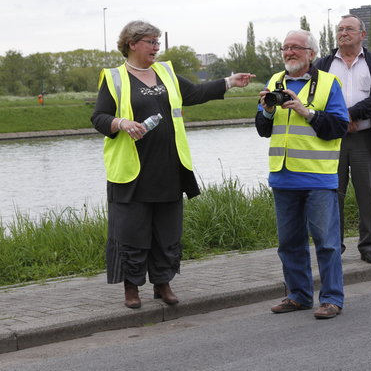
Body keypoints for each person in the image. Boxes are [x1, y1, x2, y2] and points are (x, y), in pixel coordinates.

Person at [91, 20, 255, 309]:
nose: (156, 47)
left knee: (167, 232)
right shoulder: (114, 78)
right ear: (132, 43)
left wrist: (230, 82)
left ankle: (162, 284)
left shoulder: (165, 73)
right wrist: (122, 122)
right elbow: (99, 117)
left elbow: (195, 94)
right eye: (151, 42)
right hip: (132, 173)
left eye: (157, 42)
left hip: (169, 168)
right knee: (132, 233)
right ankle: (132, 288)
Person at [256, 29, 349, 319]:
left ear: (311, 53)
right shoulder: (275, 81)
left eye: (296, 48)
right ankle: (298, 295)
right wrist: (268, 110)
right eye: (285, 48)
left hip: (317, 176)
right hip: (283, 176)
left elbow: (338, 127)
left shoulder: (329, 83)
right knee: (289, 242)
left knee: (327, 242)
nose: (289, 53)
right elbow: (263, 128)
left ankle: (332, 299)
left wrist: (305, 111)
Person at [315, 14, 371, 265]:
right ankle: (333, 246)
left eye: (349, 29)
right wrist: (338, 120)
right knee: (332, 194)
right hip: (331, 140)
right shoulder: (323, 64)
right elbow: (313, 98)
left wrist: (352, 114)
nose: (343, 33)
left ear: (362, 34)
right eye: (339, 29)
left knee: (367, 194)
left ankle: (369, 246)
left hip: (364, 138)